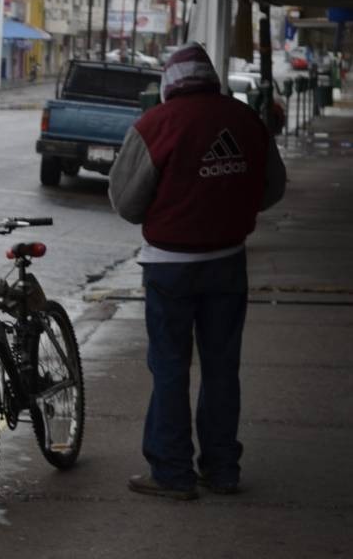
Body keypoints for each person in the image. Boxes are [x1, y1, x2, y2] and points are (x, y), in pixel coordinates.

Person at [108, 42, 286, 501]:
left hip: (170, 268)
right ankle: (222, 469)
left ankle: (171, 471)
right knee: (222, 367)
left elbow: (127, 203)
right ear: (212, 80)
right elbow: (272, 189)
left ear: (169, 83)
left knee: (170, 367)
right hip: (228, 262)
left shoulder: (155, 125)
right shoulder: (247, 121)